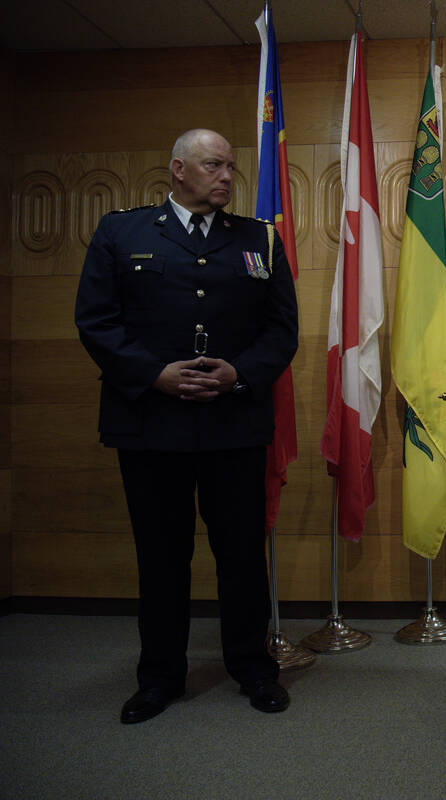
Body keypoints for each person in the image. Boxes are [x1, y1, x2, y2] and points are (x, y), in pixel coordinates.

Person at [74, 129, 299, 724]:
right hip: (152, 424)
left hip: (234, 425)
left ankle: (253, 668)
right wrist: (155, 374)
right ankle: (160, 678)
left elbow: (282, 330)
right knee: (161, 555)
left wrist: (239, 374)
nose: (226, 175)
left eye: (230, 166)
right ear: (177, 169)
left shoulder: (259, 240)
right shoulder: (121, 232)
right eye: (212, 165)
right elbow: (96, 321)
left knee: (244, 555)